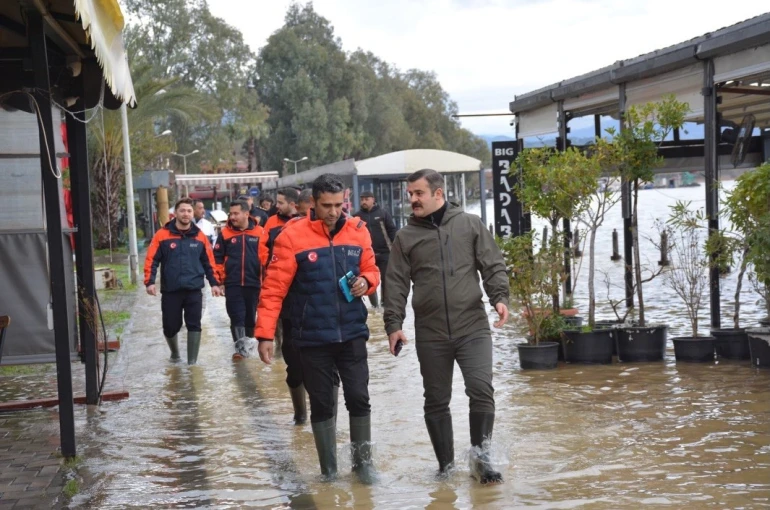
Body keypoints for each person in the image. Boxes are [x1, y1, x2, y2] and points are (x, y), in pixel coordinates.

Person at [383, 169, 510, 484]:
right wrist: (393, 324)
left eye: (418, 193)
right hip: (431, 331)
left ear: (438, 193)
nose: (412, 199)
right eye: (409, 193)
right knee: (436, 399)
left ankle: (481, 462)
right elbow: (395, 283)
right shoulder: (405, 237)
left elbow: (492, 263)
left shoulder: (469, 224)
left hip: (472, 325)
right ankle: (445, 467)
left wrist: (499, 298)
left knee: (481, 391)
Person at [255, 174, 380, 483]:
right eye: (327, 205)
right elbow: (273, 289)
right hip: (311, 337)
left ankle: (363, 467)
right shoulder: (291, 236)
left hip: (351, 332)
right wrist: (265, 334)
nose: (334, 212)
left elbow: (371, 268)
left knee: (359, 398)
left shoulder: (358, 232)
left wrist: (368, 281)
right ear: (312, 203)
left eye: (339, 205)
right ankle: (329, 471)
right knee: (322, 404)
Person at [144, 198, 223, 365]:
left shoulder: (200, 237)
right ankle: (175, 354)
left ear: (193, 213)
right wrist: (149, 282)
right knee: (170, 326)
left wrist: (215, 283)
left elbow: (209, 262)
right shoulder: (162, 235)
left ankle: (192, 364)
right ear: (176, 214)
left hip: (194, 289)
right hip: (171, 290)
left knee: (194, 324)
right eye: (182, 211)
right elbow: (151, 260)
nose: (186, 214)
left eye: (189, 211)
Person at [258, 187, 306, 422]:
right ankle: (300, 415)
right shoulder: (277, 228)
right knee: (294, 364)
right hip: (285, 298)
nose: (277, 206)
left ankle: (321, 419)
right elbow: (263, 250)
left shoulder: (342, 231)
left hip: (321, 315)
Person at [213, 199, 264, 359]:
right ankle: (240, 352)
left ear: (246, 214)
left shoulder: (260, 233)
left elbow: (267, 258)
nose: (232, 217)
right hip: (232, 283)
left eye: (236, 213)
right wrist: (219, 281)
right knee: (236, 316)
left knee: (250, 317)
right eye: (231, 213)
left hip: (254, 283)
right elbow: (217, 259)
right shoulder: (225, 234)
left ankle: (248, 349)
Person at [354, 191, 397, 308]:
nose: (364, 202)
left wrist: (395, 248)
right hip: (366, 255)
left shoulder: (383, 214)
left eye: (366, 199)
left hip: (384, 253)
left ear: (373, 199)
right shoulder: (356, 217)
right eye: (362, 199)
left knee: (386, 279)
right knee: (369, 279)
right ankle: (375, 306)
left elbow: (392, 230)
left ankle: (385, 305)